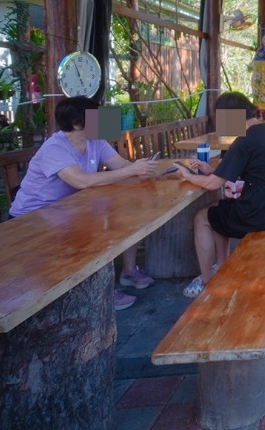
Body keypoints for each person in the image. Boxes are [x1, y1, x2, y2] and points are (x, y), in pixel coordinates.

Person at [9, 95, 159, 310]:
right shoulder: (54, 148)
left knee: (125, 214)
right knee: (95, 230)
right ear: (77, 124)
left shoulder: (95, 139)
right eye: (97, 115)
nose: (104, 118)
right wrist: (131, 171)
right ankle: (101, 293)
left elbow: (120, 165)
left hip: (70, 207)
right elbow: (81, 181)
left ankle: (128, 271)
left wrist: (140, 169)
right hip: (33, 217)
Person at [173, 92, 265, 298]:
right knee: (218, 209)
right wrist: (211, 170)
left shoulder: (244, 141)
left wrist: (187, 175)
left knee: (202, 217)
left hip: (264, 215)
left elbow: (213, 185)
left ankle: (206, 281)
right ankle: (222, 265)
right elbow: (241, 171)